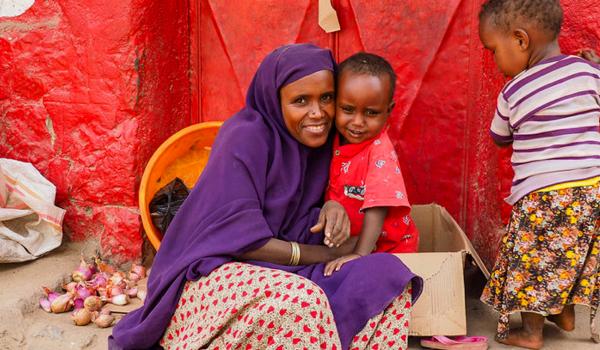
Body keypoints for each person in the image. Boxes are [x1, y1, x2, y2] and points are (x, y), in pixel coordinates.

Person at [109, 44, 422, 350]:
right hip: (216, 272)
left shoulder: (328, 140)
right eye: (301, 100)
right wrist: (328, 256)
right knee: (302, 301)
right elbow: (244, 241)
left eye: (326, 98)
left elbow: (315, 203)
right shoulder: (244, 139)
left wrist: (331, 205)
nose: (318, 113)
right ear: (275, 102)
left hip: (291, 270)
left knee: (389, 276)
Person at [478, 0, 600, 349]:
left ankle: (531, 332)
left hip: (543, 192)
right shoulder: (586, 72)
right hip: (591, 188)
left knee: (531, 259)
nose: (495, 60)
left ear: (520, 40)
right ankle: (561, 310)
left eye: (493, 50)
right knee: (571, 251)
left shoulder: (513, 90)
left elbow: (499, 137)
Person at [323, 53, 419, 276]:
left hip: (388, 250)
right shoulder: (332, 139)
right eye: (347, 109)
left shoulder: (379, 151)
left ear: (389, 110)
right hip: (352, 244)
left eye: (371, 113)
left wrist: (359, 255)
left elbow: (377, 208)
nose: (357, 122)